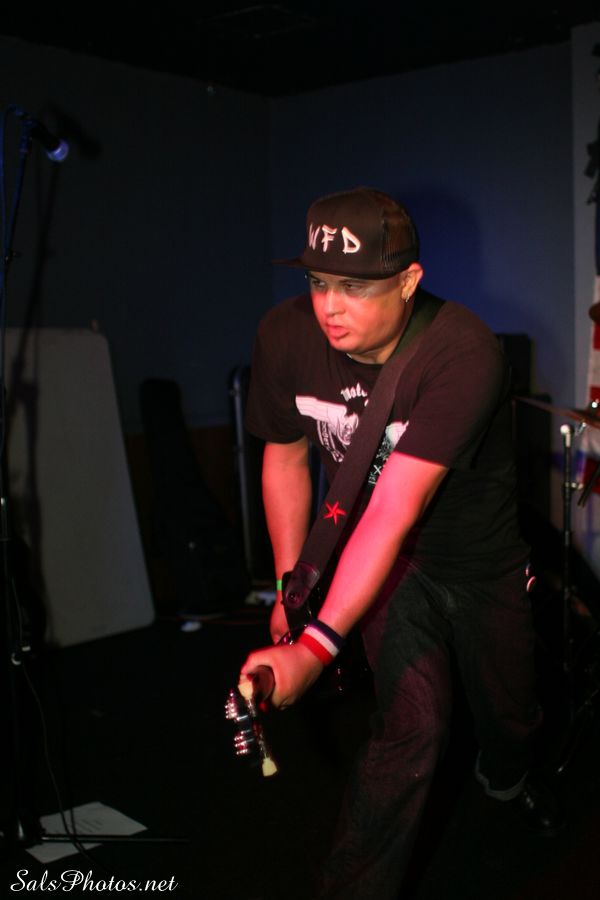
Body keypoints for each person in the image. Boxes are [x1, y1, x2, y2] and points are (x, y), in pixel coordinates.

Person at [239, 187, 562, 899]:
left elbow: (393, 506)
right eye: (319, 282)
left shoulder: (463, 351)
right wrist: (293, 589)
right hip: (385, 566)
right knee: (413, 726)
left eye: (355, 287)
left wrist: (314, 652)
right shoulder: (285, 337)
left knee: (509, 719)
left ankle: (507, 776)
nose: (330, 306)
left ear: (409, 281)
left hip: (478, 561)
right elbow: (285, 459)